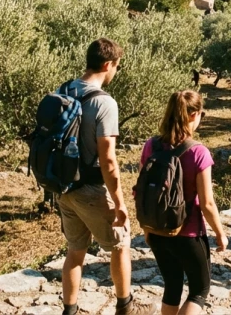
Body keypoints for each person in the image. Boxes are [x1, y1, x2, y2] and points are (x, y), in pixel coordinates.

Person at [56, 39, 155, 315]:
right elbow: (109, 160)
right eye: (117, 67)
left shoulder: (63, 89)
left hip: (64, 188)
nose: (115, 73)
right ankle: (126, 307)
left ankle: (70, 310)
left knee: (75, 251)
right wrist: (120, 202)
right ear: (108, 64)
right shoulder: (104, 103)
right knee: (121, 243)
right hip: (91, 189)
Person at [141, 91, 228, 315]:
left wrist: (146, 228)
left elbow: (141, 193)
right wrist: (220, 233)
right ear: (193, 115)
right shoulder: (198, 152)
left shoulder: (151, 146)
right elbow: (207, 203)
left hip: (159, 231)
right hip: (188, 234)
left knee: (172, 286)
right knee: (199, 291)